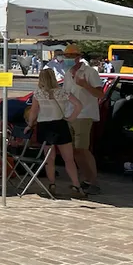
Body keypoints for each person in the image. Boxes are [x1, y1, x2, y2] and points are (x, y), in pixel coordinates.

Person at [28, 67, 86, 198]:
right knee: (69, 159)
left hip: (45, 126)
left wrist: (30, 124)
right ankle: (76, 185)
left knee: (49, 159)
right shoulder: (62, 92)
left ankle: (52, 184)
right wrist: (71, 117)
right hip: (60, 124)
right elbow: (79, 105)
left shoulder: (38, 93)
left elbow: (33, 111)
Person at [62, 44, 104, 194]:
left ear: (78, 57)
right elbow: (66, 93)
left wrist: (85, 85)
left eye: (70, 57)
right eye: (66, 57)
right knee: (74, 151)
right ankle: (87, 179)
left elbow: (100, 95)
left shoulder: (90, 72)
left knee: (82, 150)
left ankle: (93, 181)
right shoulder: (68, 72)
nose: (67, 59)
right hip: (70, 114)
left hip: (84, 115)